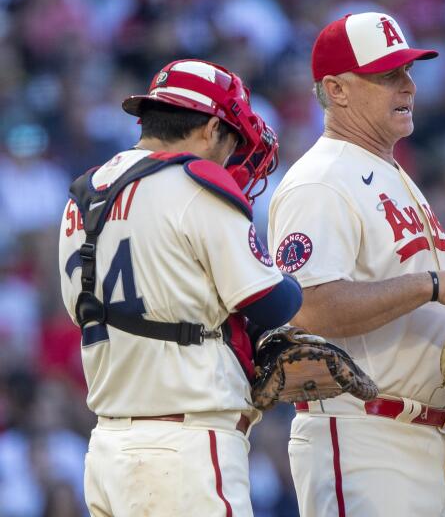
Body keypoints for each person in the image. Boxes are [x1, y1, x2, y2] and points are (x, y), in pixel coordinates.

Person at [267, 12, 445, 516]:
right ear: (337, 89)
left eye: (408, 71)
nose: (408, 85)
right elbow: (309, 306)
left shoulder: (390, 170)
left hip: (416, 438)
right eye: (387, 75)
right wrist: (433, 285)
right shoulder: (321, 181)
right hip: (360, 434)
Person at [58, 59, 304, 516]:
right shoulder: (195, 182)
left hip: (108, 448)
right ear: (212, 127)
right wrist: (293, 280)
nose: (233, 156)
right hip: (184, 449)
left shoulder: (83, 193)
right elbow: (272, 301)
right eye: (233, 139)